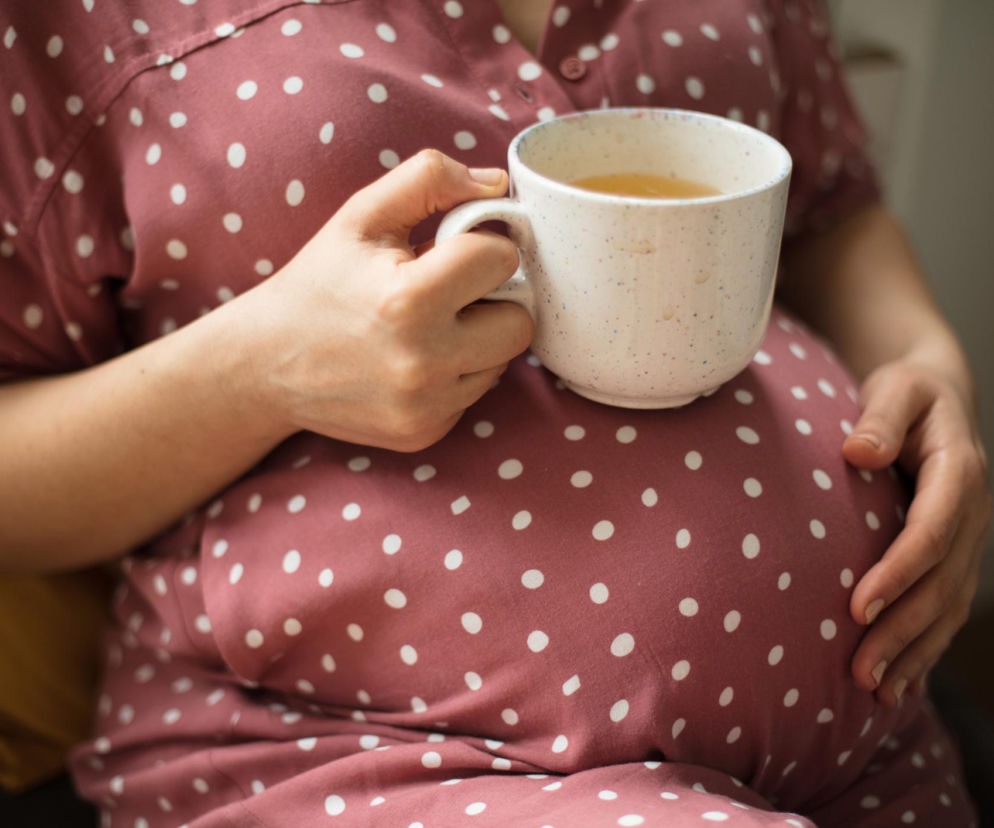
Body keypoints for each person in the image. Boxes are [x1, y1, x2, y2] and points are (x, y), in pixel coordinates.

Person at [0, 0, 989, 825]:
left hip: (871, 723)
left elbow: (827, 212)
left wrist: (925, 363)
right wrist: (261, 369)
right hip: (372, 753)